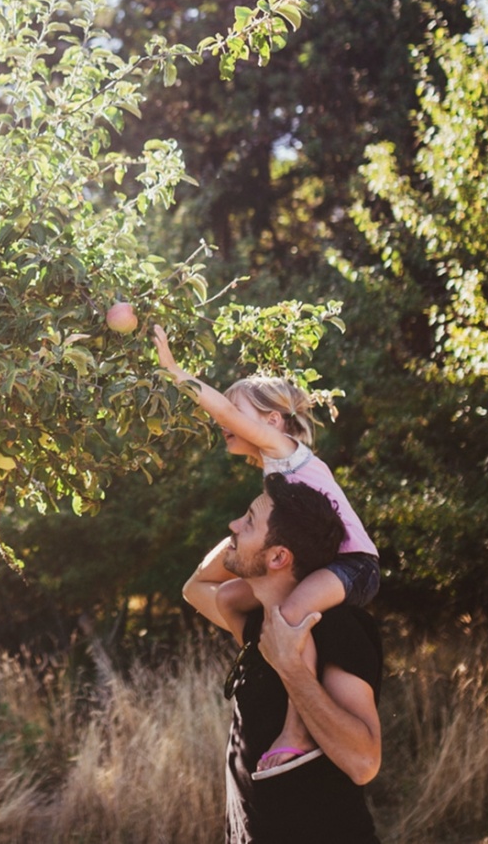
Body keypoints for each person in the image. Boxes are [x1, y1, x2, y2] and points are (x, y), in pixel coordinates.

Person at [153, 324, 380, 773]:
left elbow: (220, 408)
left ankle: (296, 730)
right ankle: (262, 664)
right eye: (227, 414)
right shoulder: (275, 471)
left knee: (291, 614)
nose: (224, 421)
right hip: (331, 564)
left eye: (235, 413)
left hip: (355, 566)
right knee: (231, 596)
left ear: (271, 421)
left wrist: (175, 371)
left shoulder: (286, 450)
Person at [184, 474, 383, 843]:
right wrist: (238, 540)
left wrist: (292, 668)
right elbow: (195, 588)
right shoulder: (256, 622)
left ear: (278, 556)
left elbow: (364, 762)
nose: (233, 525)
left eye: (248, 520)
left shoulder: (335, 626)